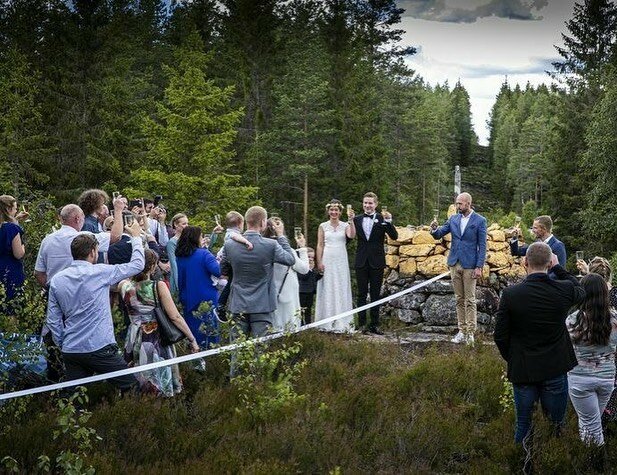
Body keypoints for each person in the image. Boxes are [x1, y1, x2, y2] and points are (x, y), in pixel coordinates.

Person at [494, 242, 585, 447]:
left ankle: (523, 465)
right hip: (555, 367)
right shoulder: (564, 289)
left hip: (523, 369)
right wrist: (558, 267)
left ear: (525, 262)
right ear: (550, 263)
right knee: (556, 426)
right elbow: (581, 288)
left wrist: (514, 357)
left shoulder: (511, 295)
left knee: (523, 425)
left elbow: (500, 336)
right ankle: (554, 463)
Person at [46, 224, 145, 392]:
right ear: (92, 252)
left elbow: (53, 319)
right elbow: (137, 265)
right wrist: (136, 238)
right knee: (131, 386)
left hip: (71, 349)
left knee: (74, 399)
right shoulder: (100, 272)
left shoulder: (57, 280)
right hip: (99, 347)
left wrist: (63, 342)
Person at [118, 249, 199, 396]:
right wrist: (191, 338)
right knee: (158, 380)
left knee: (137, 380)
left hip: (134, 334)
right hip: (154, 335)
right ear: (152, 266)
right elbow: (175, 316)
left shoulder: (123, 285)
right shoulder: (158, 286)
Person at [222, 206, 296, 337]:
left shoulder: (229, 245)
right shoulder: (270, 245)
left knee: (236, 350)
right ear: (263, 222)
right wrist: (281, 236)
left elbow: (222, 270)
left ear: (246, 221)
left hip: (238, 303)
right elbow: (290, 259)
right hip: (263, 305)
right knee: (260, 350)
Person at [566, 273, 617, 448]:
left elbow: (565, 350)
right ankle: (589, 460)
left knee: (591, 425)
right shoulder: (614, 319)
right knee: (590, 422)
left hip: (580, 379)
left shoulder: (573, 320)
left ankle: (596, 464)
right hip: (607, 379)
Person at [430, 192, 487, 345]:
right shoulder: (453, 219)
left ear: (468, 203)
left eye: (460, 203)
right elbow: (439, 234)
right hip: (454, 262)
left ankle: (470, 333)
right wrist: (434, 229)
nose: (457, 206)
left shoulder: (480, 220)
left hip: (470, 264)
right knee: (458, 299)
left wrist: (479, 266)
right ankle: (461, 330)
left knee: (470, 299)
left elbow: (482, 246)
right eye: (457, 203)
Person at [353, 192, 398, 335]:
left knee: (375, 294)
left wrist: (389, 221)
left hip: (377, 261)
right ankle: (361, 325)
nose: (367, 205)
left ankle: (374, 324)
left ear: (376, 204)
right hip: (361, 261)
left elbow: (394, 236)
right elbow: (348, 237)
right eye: (365, 203)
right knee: (361, 294)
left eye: (370, 203)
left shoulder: (382, 219)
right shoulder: (356, 219)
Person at [175, 225, 221, 348]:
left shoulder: (180, 256)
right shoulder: (204, 254)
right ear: (196, 238)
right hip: (206, 297)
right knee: (209, 333)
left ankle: (196, 361)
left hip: (187, 297)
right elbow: (218, 271)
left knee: (193, 332)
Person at [315, 199, 355, 332]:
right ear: (328, 211)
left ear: (340, 212)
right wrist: (319, 262)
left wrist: (351, 220)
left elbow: (351, 235)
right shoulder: (323, 226)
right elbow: (320, 244)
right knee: (328, 287)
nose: (333, 212)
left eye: (336, 210)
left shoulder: (345, 225)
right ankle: (326, 322)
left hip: (341, 259)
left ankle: (342, 323)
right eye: (331, 210)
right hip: (327, 258)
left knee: (341, 286)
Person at [263, 218, 309, 331]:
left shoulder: (263, 249)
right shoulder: (288, 252)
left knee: (273, 328)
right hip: (288, 297)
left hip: (269, 297)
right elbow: (304, 269)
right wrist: (302, 248)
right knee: (289, 329)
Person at [0, 195, 27, 306]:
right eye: (15, 208)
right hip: (9, 270)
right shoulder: (12, 229)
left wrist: (16, 219)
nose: (16, 211)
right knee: (11, 306)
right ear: (8, 209)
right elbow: (18, 254)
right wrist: (23, 246)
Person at [298, 247, 322, 324]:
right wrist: (309, 269)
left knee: (309, 309)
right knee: (301, 310)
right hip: (302, 291)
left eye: (312, 257)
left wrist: (320, 274)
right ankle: (300, 324)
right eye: (308, 257)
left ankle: (308, 325)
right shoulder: (301, 268)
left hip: (310, 291)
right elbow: (303, 277)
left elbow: (314, 278)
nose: (311, 259)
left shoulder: (312, 268)